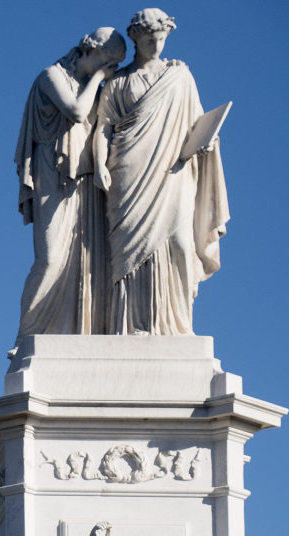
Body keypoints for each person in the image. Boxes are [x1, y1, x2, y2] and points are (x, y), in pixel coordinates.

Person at [93, 9, 229, 335]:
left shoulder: (181, 77)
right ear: (136, 39)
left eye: (161, 38)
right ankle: (125, 327)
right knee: (126, 252)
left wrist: (207, 144)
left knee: (180, 244)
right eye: (150, 39)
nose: (157, 44)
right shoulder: (119, 82)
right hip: (127, 170)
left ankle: (177, 327)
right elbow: (102, 128)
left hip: (174, 170)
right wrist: (98, 164)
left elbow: (198, 124)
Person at [14, 28, 126, 339]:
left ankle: (77, 331)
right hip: (53, 172)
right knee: (50, 259)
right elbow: (76, 112)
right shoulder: (52, 76)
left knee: (85, 260)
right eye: (109, 62)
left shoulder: (92, 86)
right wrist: (98, 78)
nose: (111, 70)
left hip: (86, 177)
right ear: (91, 50)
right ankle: (26, 334)